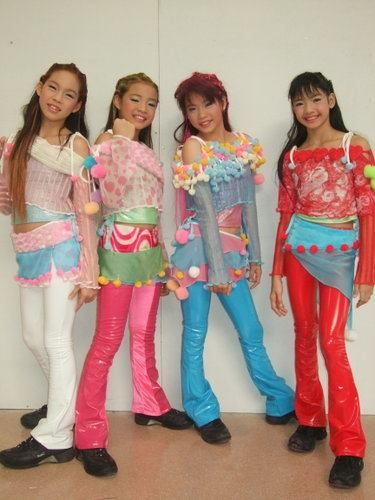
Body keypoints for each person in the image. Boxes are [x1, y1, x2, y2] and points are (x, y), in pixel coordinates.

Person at [74, 73, 192, 478]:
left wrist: (161, 261)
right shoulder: (106, 145)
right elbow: (110, 196)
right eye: (135, 100)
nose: (143, 108)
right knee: (106, 340)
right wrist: (120, 139)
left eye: (152, 102)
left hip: (148, 256)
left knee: (142, 334)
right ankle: (89, 433)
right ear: (118, 100)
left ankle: (150, 403)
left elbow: (152, 208)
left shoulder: (136, 146)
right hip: (119, 254)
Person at [167, 72, 295, 445]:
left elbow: (249, 206)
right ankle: (202, 410)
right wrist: (217, 271)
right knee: (195, 334)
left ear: (222, 101)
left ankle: (279, 399)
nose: (201, 113)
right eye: (191, 108)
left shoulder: (244, 145)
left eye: (206, 103)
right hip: (198, 255)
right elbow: (205, 212)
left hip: (232, 252)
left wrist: (255, 256)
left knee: (251, 330)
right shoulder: (193, 149)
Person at [270, 71, 375, 489]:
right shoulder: (292, 156)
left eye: (315, 99)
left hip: (339, 256)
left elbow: (368, 211)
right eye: (299, 103)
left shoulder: (356, 146)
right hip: (298, 251)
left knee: (332, 343)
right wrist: (276, 273)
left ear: (331, 99)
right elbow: (285, 215)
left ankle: (349, 447)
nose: (308, 110)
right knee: (303, 333)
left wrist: (367, 273)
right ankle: (310, 419)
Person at [0, 63, 98, 469]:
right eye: (52, 87)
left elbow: (87, 210)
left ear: (77, 105)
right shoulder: (19, 142)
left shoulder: (75, 145)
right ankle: (63, 409)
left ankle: (56, 435)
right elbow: (9, 202)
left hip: (62, 247)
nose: (58, 97)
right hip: (27, 248)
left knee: (57, 340)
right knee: (32, 337)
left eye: (69, 93)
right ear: (39, 88)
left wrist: (90, 274)